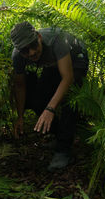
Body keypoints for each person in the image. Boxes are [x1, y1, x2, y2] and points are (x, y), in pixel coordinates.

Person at [10, 21, 89, 171]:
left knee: (70, 99)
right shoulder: (17, 57)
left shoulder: (57, 40)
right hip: (53, 64)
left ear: (39, 37)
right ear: (19, 51)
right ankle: (62, 135)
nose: (31, 52)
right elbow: (20, 86)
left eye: (33, 45)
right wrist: (20, 117)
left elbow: (67, 78)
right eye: (25, 51)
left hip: (75, 58)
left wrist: (51, 109)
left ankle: (63, 150)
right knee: (38, 99)